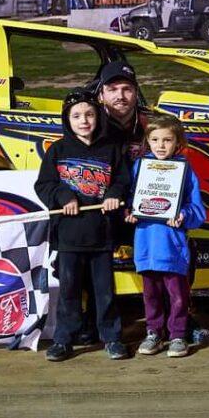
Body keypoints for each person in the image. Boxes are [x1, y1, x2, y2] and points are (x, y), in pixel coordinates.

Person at [94, 61, 209, 347]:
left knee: (181, 255)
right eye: (113, 89)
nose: (120, 95)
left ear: (137, 93)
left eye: (127, 89)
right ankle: (100, 323)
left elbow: (186, 185)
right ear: (101, 94)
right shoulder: (91, 125)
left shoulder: (153, 124)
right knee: (90, 245)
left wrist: (181, 213)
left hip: (154, 215)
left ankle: (183, 324)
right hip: (112, 212)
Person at [34, 91, 131, 362]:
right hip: (68, 236)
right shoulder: (58, 150)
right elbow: (44, 185)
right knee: (69, 291)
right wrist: (65, 197)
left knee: (105, 292)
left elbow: (123, 182)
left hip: (102, 235)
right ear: (67, 119)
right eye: (76, 116)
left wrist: (113, 194)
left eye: (89, 114)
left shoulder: (111, 150)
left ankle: (111, 338)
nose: (84, 121)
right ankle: (64, 339)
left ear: (98, 117)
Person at [125, 115, 206, 357]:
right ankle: (154, 333)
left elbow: (198, 210)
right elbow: (131, 198)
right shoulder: (140, 167)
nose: (161, 145)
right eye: (155, 140)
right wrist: (130, 211)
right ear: (147, 142)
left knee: (178, 296)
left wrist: (183, 215)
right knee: (150, 295)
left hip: (173, 246)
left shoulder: (185, 169)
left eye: (167, 140)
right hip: (146, 244)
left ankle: (178, 335)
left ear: (178, 142)